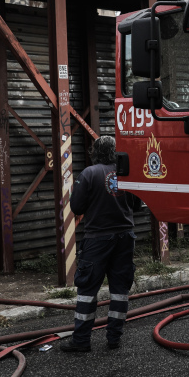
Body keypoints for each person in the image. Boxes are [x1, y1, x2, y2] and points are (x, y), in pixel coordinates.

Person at [59, 135, 139, 352]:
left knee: (87, 290)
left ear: (95, 151)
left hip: (98, 239)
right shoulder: (126, 173)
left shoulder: (89, 173)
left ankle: (82, 341)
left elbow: (76, 207)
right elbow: (138, 203)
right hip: (125, 237)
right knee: (120, 290)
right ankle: (114, 338)